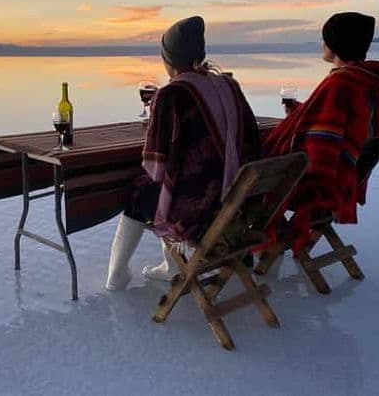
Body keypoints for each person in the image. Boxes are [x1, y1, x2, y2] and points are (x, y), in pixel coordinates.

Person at [105, 16, 262, 290]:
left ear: (169, 58)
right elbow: (253, 141)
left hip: (199, 210)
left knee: (139, 193)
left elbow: (155, 167)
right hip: (236, 201)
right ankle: (170, 266)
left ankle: (117, 276)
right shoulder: (229, 85)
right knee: (176, 181)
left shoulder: (171, 94)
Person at [262, 12, 379, 253]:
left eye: (325, 38)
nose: (322, 44)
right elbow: (334, 123)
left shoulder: (340, 83)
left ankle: (247, 240)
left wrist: (296, 123)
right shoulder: (370, 81)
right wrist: (300, 112)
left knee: (249, 167)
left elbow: (319, 142)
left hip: (321, 184)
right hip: (348, 175)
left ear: (336, 43)